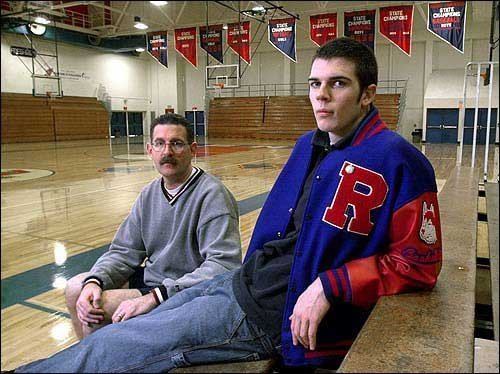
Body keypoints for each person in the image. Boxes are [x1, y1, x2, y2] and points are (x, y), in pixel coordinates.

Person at [16, 37, 442, 373]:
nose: (322, 96)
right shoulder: (310, 146)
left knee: (115, 346)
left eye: (338, 83)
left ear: (367, 94)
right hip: (248, 282)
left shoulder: (400, 162)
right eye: (315, 83)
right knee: (135, 321)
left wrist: (332, 285)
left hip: (272, 314)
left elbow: (419, 265)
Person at [65, 113, 242, 340]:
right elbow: (123, 251)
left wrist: (155, 296)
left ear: (193, 149)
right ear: (150, 150)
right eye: (160, 143)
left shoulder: (213, 195)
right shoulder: (149, 193)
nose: (167, 152)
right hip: (154, 282)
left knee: (97, 309)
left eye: (176, 143)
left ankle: (98, 360)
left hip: (188, 291)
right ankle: (87, 357)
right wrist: (95, 280)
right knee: (76, 289)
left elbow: (223, 265)